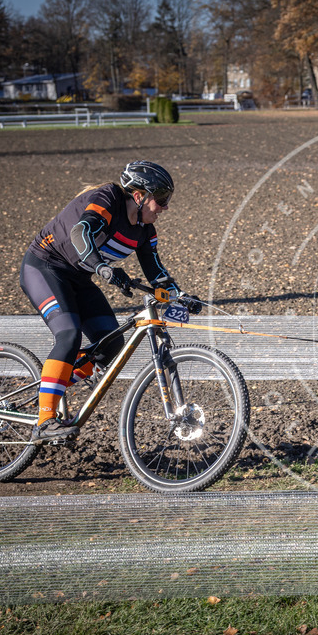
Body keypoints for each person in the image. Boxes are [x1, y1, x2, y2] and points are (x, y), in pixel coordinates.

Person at [20, 161, 191, 443]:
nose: (165, 208)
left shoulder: (144, 230)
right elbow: (80, 233)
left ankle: (54, 386)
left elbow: (156, 273)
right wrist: (103, 268)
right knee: (69, 335)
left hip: (79, 277)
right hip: (44, 266)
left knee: (111, 345)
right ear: (139, 197)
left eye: (167, 201)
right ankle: (45, 420)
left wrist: (181, 297)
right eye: (161, 200)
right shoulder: (107, 198)